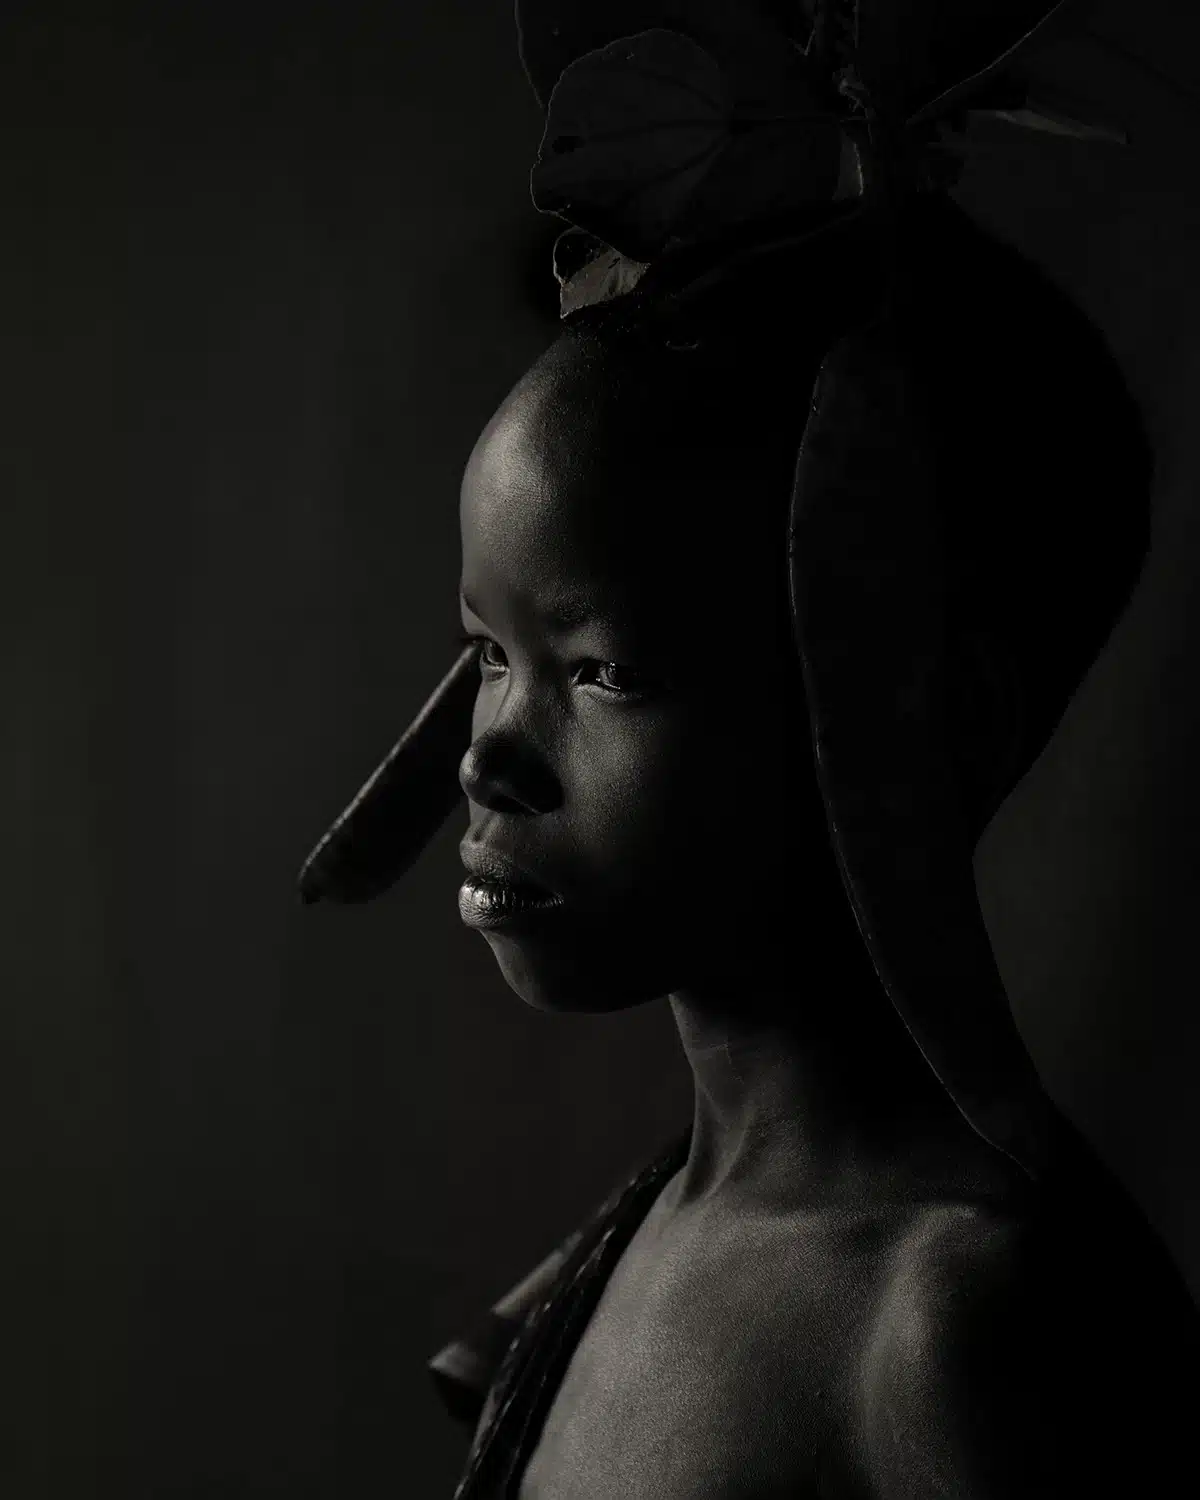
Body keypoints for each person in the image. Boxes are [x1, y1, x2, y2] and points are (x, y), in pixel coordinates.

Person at [299, 2, 1200, 1494]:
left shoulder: (962, 1332)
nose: (489, 759)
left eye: (602, 670)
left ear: (932, 719)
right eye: (488, 653)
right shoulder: (673, 1220)